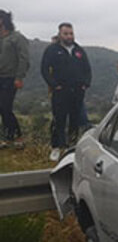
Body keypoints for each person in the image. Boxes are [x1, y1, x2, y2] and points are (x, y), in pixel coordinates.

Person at [41, 22, 91, 162]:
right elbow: (44, 69)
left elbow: (87, 69)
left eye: (71, 33)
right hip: (60, 91)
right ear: (60, 34)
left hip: (77, 91)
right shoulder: (52, 50)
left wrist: (85, 84)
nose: (69, 36)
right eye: (66, 33)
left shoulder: (79, 50)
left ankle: (72, 147)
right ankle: (56, 147)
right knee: (59, 119)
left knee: (74, 119)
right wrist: (54, 85)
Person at [0, 10, 29, 148]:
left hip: (10, 77)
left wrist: (19, 77)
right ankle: (7, 137)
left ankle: (18, 137)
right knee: (1, 108)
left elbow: (24, 58)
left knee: (5, 106)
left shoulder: (16, 38)